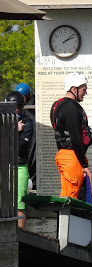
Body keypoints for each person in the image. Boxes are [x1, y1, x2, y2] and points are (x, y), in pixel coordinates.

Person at [50, 73, 92, 200]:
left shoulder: (57, 105)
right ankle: (66, 220)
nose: (85, 93)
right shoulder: (71, 108)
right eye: (83, 89)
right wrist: (84, 164)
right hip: (72, 156)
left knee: (68, 195)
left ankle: (65, 220)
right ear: (74, 89)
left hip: (64, 155)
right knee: (70, 198)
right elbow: (76, 139)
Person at [5, 91, 34, 228]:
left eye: (19, 107)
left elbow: (20, 146)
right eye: (13, 107)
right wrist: (13, 129)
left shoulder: (27, 122)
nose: (16, 110)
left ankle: (20, 236)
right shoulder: (5, 122)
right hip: (4, 165)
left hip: (19, 166)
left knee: (18, 204)